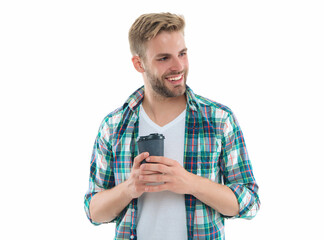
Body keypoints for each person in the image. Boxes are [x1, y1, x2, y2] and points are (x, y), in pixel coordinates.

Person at [84, 12, 260, 240]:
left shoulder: (219, 119)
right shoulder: (114, 126)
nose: (179, 66)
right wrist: (129, 188)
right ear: (139, 63)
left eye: (182, 54)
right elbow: (94, 211)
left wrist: (191, 183)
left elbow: (249, 203)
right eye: (164, 58)